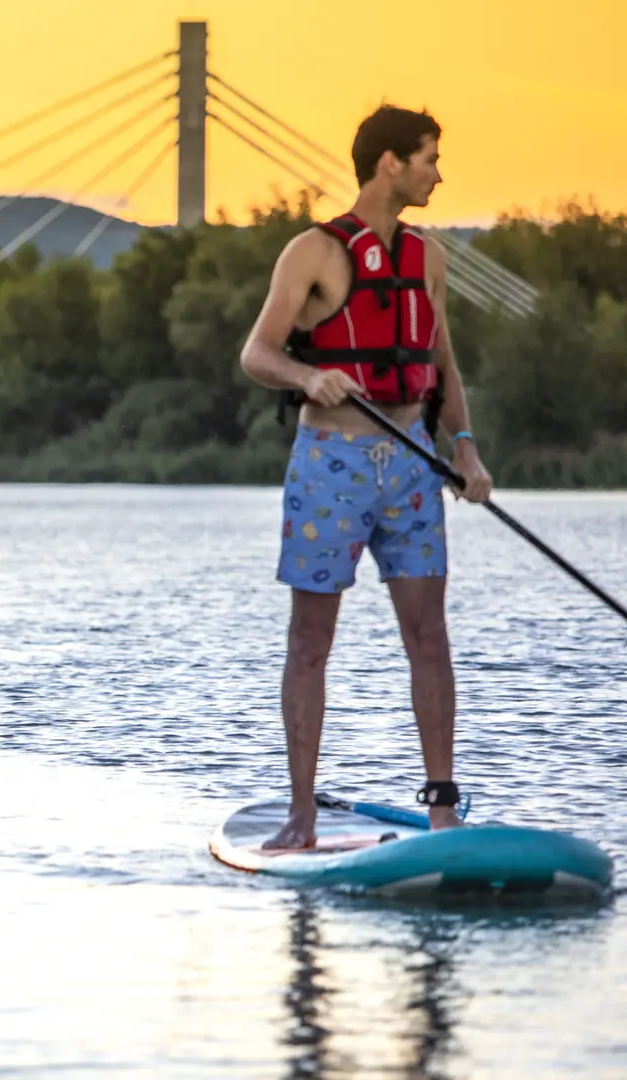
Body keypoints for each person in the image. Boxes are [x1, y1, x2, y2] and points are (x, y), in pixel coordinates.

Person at [238, 105, 495, 849]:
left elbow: (442, 366)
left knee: (429, 636)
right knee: (311, 640)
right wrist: (305, 375)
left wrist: (467, 451)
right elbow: (257, 354)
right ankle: (300, 815)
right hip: (331, 468)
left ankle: (441, 808)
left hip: (413, 462)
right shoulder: (312, 252)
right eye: (429, 158)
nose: (438, 173)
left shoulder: (428, 257)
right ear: (390, 163)